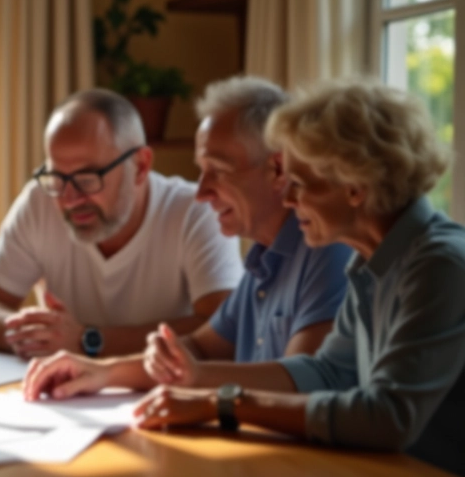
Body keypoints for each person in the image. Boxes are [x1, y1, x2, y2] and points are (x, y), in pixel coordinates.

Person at [127, 80, 463, 477]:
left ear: (354, 188)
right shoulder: (369, 263)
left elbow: (387, 416)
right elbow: (328, 373)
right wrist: (205, 388)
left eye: (300, 184)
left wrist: (223, 402)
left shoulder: (440, 266)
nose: (287, 199)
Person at [22, 76, 352, 398]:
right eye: (201, 171)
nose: (202, 192)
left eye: (218, 171)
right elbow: (200, 348)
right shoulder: (264, 258)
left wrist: (197, 381)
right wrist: (103, 372)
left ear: (278, 169)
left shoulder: (325, 246)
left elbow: (305, 382)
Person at [0, 88, 244, 359]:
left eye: (87, 179)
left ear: (140, 167)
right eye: (58, 177)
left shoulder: (195, 212)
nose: (69, 199)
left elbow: (224, 332)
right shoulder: (41, 201)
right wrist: (40, 335)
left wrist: (88, 340)